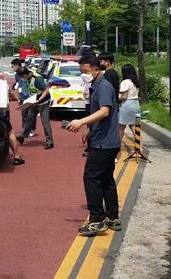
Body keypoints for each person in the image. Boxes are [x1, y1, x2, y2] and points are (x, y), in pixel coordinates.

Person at [65, 54, 122, 236]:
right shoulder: (97, 86)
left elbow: (105, 111)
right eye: (81, 72)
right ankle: (112, 217)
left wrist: (81, 122)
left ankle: (96, 219)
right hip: (106, 140)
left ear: (96, 70)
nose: (84, 75)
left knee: (91, 178)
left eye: (86, 71)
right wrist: (90, 130)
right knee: (106, 179)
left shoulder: (103, 86)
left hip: (104, 143)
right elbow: (102, 115)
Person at [15, 67, 54, 149]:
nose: (22, 79)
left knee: (45, 121)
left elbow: (46, 90)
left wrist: (39, 100)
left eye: (22, 77)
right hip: (34, 101)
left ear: (25, 75)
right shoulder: (28, 79)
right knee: (29, 118)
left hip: (43, 102)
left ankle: (50, 142)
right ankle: (22, 137)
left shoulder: (37, 79)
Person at [10, 59, 36, 137]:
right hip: (23, 96)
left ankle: (32, 128)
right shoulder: (16, 75)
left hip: (30, 96)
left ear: (17, 65)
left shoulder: (26, 72)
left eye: (13, 66)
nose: (12, 68)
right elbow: (19, 85)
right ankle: (25, 130)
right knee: (24, 114)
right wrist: (19, 97)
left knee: (31, 114)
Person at [118, 64, 141, 144]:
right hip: (136, 104)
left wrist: (115, 97)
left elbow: (124, 96)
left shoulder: (125, 82)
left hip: (127, 104)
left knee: (121, 127)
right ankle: (139, 146)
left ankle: (117, 145)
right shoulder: (135, 82)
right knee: (134, 126)